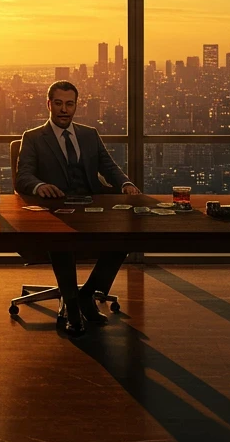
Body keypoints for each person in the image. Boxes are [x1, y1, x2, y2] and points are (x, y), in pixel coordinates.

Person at [15, 81, 140, 336]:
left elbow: (109, 167)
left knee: (124, 239)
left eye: (69, 104)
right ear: (49, 104)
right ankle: (72, 306)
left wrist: (125, 183)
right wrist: (40, 186)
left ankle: (87, 294)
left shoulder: (89, 134)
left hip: (91, 205)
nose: (64, 109)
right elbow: (23, 176)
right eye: (58, 103)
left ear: (76, 106)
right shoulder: (34, 137)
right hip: (56, 210)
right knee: (61, 239)